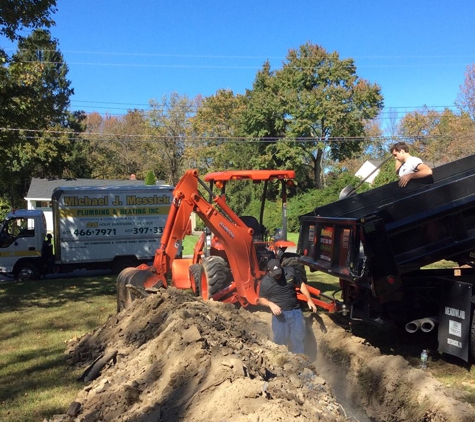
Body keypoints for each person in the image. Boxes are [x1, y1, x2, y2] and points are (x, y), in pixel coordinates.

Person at [257, 258, 317, 354]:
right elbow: (261, 299)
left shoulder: (290, 272)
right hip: (280, 315)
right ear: (269, 271)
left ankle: (299, 361)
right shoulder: (265, 282)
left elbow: (301, 284)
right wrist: (270, 304)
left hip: (295, 311)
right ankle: (281, 361)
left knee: (298, 337)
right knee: (280, 339)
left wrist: (309, 300)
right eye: (275, 274)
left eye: (279, 272)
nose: (278, 275)